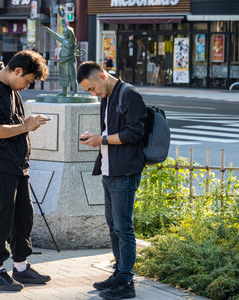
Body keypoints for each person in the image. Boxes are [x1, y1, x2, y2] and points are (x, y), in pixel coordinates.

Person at [0, 50, 50, 291]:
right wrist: (26, 126)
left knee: (23, 216)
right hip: (0, 163)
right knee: (2, 218)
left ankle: (21, 266)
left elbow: (13, 124)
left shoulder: (10, 89)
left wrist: (26, 125)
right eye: (27, 81)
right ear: (17, 71)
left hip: (16, 163)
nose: (27, 86)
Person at [77, 61, 147, 300]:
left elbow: (135, 133)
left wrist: (102, 140)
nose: (93, 94)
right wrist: (96, 138)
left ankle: (127, 282)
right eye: (89, 91)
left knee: (124, 228)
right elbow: (109, 131)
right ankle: (119, 273)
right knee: (113, 226)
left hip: (125, 171)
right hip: (109, 168)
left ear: (102, 76)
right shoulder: (107, 96)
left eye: (91, 88)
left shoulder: (130, 95)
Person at [44, 19, 77, 96]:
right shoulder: (64, 40)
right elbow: (56, 36)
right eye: (64, 32)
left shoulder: (72, 41)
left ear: (69, 33)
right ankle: (64, 92)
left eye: (65, 32)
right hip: (63, 61)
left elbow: (72, 34)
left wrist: (66, 26)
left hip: (70, 61)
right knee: (63, 76)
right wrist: (49, 31)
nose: (64, 33)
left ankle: (75, 92)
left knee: (72, 77)